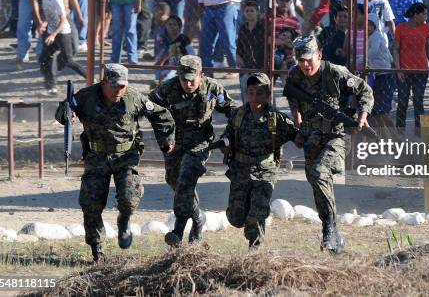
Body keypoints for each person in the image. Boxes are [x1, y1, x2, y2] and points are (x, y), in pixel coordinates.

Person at [55, 64, 175, 262]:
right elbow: (63, 111)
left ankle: (124, 220)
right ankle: (97, 249)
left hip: (126, 155)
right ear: (104, 83)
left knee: (129, 196)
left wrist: (166, 140)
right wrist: (67, 113)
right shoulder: (86, 96)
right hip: (96, 155)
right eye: (115, 86)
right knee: (90, 203)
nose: (119, 91)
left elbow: (161, 115)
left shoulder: (134, 98)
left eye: (122, 86)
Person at [284, 35, 374, 253]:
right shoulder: (295, 76)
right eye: (300, 59)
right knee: (317, 183)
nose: (305, 64)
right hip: (311, 137)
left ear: (319, 55)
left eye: (308, 59)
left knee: (319, 172)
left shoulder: (335, 73)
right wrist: (297, 130)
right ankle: (330, 230)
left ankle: (331, 230)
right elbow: (294, 105)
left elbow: (365, 91)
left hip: (337, 137)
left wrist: (362, 115)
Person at [149, 55, 233, 246]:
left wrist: (229, 136)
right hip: (173, 144)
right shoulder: (167, 89)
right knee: (175, 182)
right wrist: (163, 136)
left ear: (201, 76)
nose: (187, 84)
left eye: (192, 80)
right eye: (183, 79)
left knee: (186, 178)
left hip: (200, 144)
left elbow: (233, 110)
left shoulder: (213, 88)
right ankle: (197, 218)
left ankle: (178, 229)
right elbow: (150, 109)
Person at [221, 73, 297, 248]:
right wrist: (224, 145)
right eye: (251, 93)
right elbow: (228, 136)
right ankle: (248, 228)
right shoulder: (238, 115)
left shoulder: (277, 118)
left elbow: (298, 138)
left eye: (259, 93)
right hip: (240, 170)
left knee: (257, 211)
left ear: (268, 95)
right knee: (236, 217)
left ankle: (254, 247)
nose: (255, 98)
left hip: (265, 171)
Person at [35, 0, 86, 94]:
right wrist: (44, 23)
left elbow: (63, 20)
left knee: (68, 60)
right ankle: (51, 86)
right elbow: (51, 15)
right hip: (51, 31)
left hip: (62, 32)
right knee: (44, 58)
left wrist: (53, 35)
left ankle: (90, 78)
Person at [393, 2, 429, 132]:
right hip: (404, 70)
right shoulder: (400, 28)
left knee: (418, 101)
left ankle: (419, 131)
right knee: (402, 102)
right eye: (424, 14)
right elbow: (396, 50)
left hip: (421, 70)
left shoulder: (426, 28)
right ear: (415, 15)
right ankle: (400, 130)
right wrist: (398, 69)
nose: (426, 16)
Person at [367, 15, 395, 127]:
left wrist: (361, 58)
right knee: (378, 111)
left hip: (385, 74)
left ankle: (395, 136)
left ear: (375, 25)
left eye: (370, 25)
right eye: (367, 25)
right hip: (377, 74)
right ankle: (388, 136)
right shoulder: (370, 37)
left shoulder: (377, 36)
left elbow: (373, 51)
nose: (368, 27)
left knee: (382, 111)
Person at [237, 1, 265, 100]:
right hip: (246, 65)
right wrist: (238, 57)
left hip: (261, 66)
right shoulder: (242, 28)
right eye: (247, 11)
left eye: (252, 11)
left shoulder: (263, 28)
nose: (249, 13)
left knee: (264, 94)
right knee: (246, 93)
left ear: (257, 12)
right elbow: (239, 46)